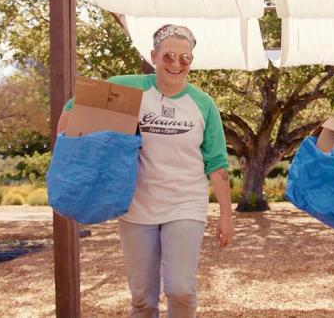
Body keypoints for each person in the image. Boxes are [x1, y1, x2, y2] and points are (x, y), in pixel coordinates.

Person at [57, 24, 233, 318]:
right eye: (168, 56)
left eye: (185, 58)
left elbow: (217, 163)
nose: (176, 64)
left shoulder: (203, 104)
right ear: (154, 56)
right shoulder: (129, 89)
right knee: (141, 299)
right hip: (137, 206)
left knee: (181, 290)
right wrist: (64, 154)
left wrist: (226, 216)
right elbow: (75, 106)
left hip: (185, 204)